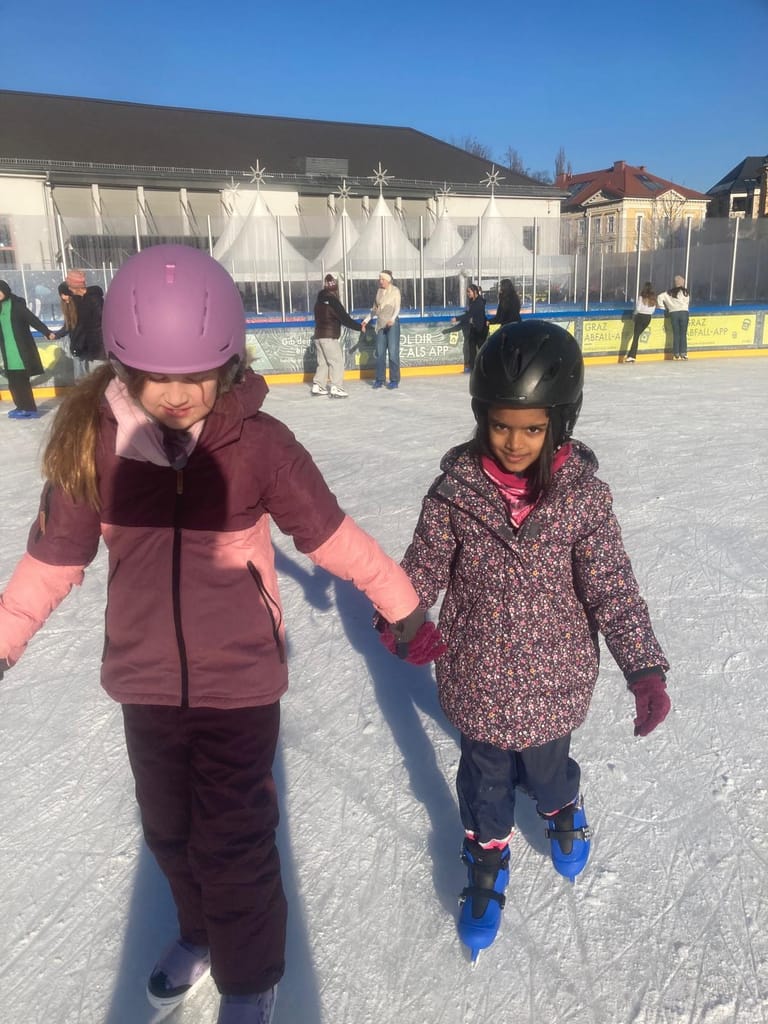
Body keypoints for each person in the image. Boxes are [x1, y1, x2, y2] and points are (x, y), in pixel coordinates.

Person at [0, 245, 441, 1024]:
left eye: (196, 374)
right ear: (124, 365)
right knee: (170, 832)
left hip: (238, 685)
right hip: (145, 685)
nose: (176, 394)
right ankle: (199, 933)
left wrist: (400, 603)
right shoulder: (93, 446)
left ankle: (249, 980)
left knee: (235, 843)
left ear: (229, 364)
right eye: (156, 375)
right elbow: (51, 560)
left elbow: (331, 534)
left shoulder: (259, 445)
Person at [379, 321, 671, 962]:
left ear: (559, 425)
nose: (514, 442)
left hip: (553, 684)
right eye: (502, 425)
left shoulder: (583, 502)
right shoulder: (455, 493)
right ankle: (485, 864)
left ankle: (561, 807)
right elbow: (423, 567)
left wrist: (643, 668)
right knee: (483, 783)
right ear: (482, 417)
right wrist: (404, 620)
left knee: (545, 771)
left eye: (532, 428)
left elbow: (612, 588)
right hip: (477, 679)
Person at [0, 280, 56, 419]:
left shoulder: (17, 306)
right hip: (8, 351)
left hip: (21, 350)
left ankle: (30, 408)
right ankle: (20, 406)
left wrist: (47, 332)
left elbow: (33, 320)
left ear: (5, 290)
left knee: (21, 381)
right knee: (13, 382)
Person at [311, 273, 363, 399]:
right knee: (336, 362)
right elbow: (345, 319)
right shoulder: (333, 302)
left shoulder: (318, 301)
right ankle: (336, 387)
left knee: (322, 362)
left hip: (318, 336)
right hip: (329, 337)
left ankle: (318, 385)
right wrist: (359, 327)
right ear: (335, 287)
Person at [361, 270, 401, 390]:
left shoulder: (395, 291)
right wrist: (366, 320)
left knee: (393, 353)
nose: (380, 281)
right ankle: (379, 379)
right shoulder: (379, 292)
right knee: (379, 354)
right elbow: (374, 309)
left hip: (392, 325)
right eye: (379, 279)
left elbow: (397, 307)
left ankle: (394, 380)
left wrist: (393, 319)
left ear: (388, 280)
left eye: (382, 279)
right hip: (380, 326)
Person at [62, 268, 105, 377]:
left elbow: (102, 322)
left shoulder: (94, 299)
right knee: (89, 380)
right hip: (89, 350)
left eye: (70, 286)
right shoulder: (79, 300)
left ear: (75, 287)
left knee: (97, 381)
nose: (69, 289)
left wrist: (97, 345)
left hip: (99, 350)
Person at [453, 283, 488, 372]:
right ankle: (473, 367)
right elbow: (471, 313)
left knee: (481, 349)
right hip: (474, 328)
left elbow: (470, 314)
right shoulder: (472, 301)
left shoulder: (479, 302)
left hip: (481, 329)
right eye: (467, 292)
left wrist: (457, 318)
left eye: (469, 292)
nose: (468, 294)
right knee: (471, 348)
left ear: (475, 291)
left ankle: (485, 366)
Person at [656, 275, 690, 360]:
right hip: (684, 313)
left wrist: (662, 307)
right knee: (683, 333)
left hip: (673, 313)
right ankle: (684, 353)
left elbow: (660, 297)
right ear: (682, 283)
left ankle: (676, 354)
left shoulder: (668, 292)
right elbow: (686, 302)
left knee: (676, 333)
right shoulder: (685, 292)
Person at [626, 281, 657, 362]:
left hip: (640, 317)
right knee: (637, 336)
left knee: (636, 337)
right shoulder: (653, 298)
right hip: (648, 318)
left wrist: (634, 315)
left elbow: (638, 309)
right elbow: (653, 310)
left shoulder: (642, 297)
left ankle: (632, 356)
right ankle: (631, 354)